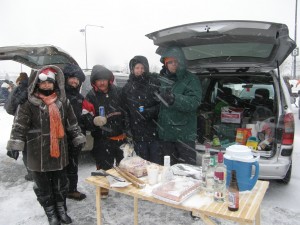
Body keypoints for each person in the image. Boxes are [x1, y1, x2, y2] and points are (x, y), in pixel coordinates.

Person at [6, 65, 86, 225]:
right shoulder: (28, 103)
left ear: (55, 83)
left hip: (58, 152)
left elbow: (72, 123)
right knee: (43, 187)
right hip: (37, 153)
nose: (47, 85)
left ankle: (61, 210)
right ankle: (51, 214)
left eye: (50, 82)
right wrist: (15, 144)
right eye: (43, 83)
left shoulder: (63, 102)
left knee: (60, 185)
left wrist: (78, 136)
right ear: (37, 84)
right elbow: (20, 126)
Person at [83, 65, 126, 198]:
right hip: (102, 138)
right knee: (103, 165)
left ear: (109, 80)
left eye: (104, 79)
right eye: (98, 80)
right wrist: (93, 121)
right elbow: (85, 116)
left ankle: (121, 185)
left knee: (122, 166)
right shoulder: (90, 96)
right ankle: (103, 188)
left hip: (120, 137)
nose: (102, 82)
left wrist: (127, 129)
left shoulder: (119, 92)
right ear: (94, 82)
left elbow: (127, 111)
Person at [157, 47, 202, 166]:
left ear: (180, 62)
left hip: (184, 136)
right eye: (169, 62)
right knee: (168, 171)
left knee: (187, 172)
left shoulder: (191, 79)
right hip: (166, 136)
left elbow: (194, 102)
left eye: (175, 61)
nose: (173, 65)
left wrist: (174, 98)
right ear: (165, 64)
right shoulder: (163, 80)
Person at [121, 55, 162, 164]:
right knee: (140, 165)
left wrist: (150, 111)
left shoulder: (154, 84)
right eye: (137, 68)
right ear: (132, 69)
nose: (140, 70)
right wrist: (127, 129)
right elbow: (125, 111)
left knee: (155, 164)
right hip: (137, 134)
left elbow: (162, 105)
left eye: (142, 68)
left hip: (154, 132)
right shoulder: (127, 88)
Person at [63, 64, 88, 201]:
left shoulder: (79, 97)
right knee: (60, 167)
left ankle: (72, 190)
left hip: (76, 138)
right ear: (66, 78)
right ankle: (60, 192)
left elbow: (83, 117)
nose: (75, 81)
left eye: (77, 79)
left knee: (73, 165)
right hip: (61, 138)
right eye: (72, 78)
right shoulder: (60, 95)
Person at [5, 72, 33, 181]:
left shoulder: (17, 89)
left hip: (21, 122)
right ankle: (37, 172)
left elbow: (9, 108)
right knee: (35, 148)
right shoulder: (34, 88)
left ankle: (31, 173)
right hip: (36, 123)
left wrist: (18, 112)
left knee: (25, 149)